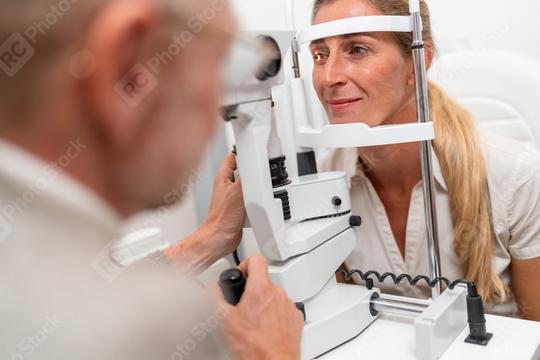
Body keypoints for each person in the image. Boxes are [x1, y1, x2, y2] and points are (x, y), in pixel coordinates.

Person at [0, 0, 303, 359]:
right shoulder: (150, 322)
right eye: (220, 67)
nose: (214, 118)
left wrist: (211, 237)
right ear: (126, 71)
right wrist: (270, 351)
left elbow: (90, 285)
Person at [311, 0, 540, 320]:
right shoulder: (319, 185)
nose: (328, 77)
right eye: (319, 55)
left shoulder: (516, 178)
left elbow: (536, 329)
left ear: (418, 62)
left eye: (357, 49)